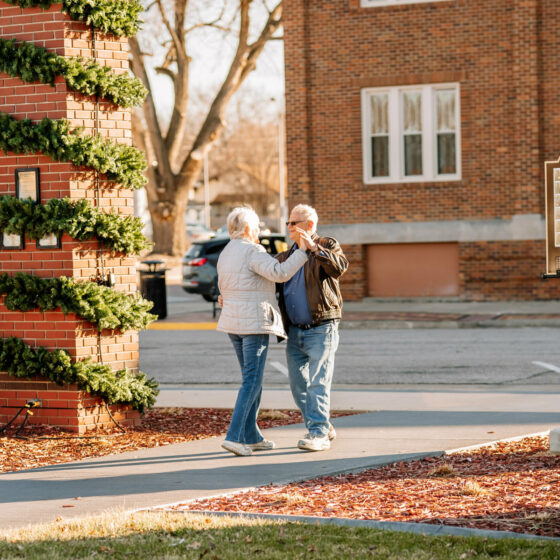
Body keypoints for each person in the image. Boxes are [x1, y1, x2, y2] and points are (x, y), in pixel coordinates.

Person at [216, 206, 316, 457]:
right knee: (252, 381)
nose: (259, 230)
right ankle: (234, 437)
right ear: (248, 229)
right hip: (253, 324)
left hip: (233, 325)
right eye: (257, 226)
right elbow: (280, 273)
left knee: (251, 380)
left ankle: (251, 436)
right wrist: (303, 252)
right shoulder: (252, 250)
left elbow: (224, 288)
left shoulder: (226, 252)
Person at [276, 204, 349, 452]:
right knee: (299, 386)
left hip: (322, 327)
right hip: (294, 331)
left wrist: (315, 248)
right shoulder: (286, 256)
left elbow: (338, 268)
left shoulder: (327, 245)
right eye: (288, 223)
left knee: (318, 383)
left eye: (293, 223)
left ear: (309, 225)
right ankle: (322, 426)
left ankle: (317, 433)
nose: (289, 227)